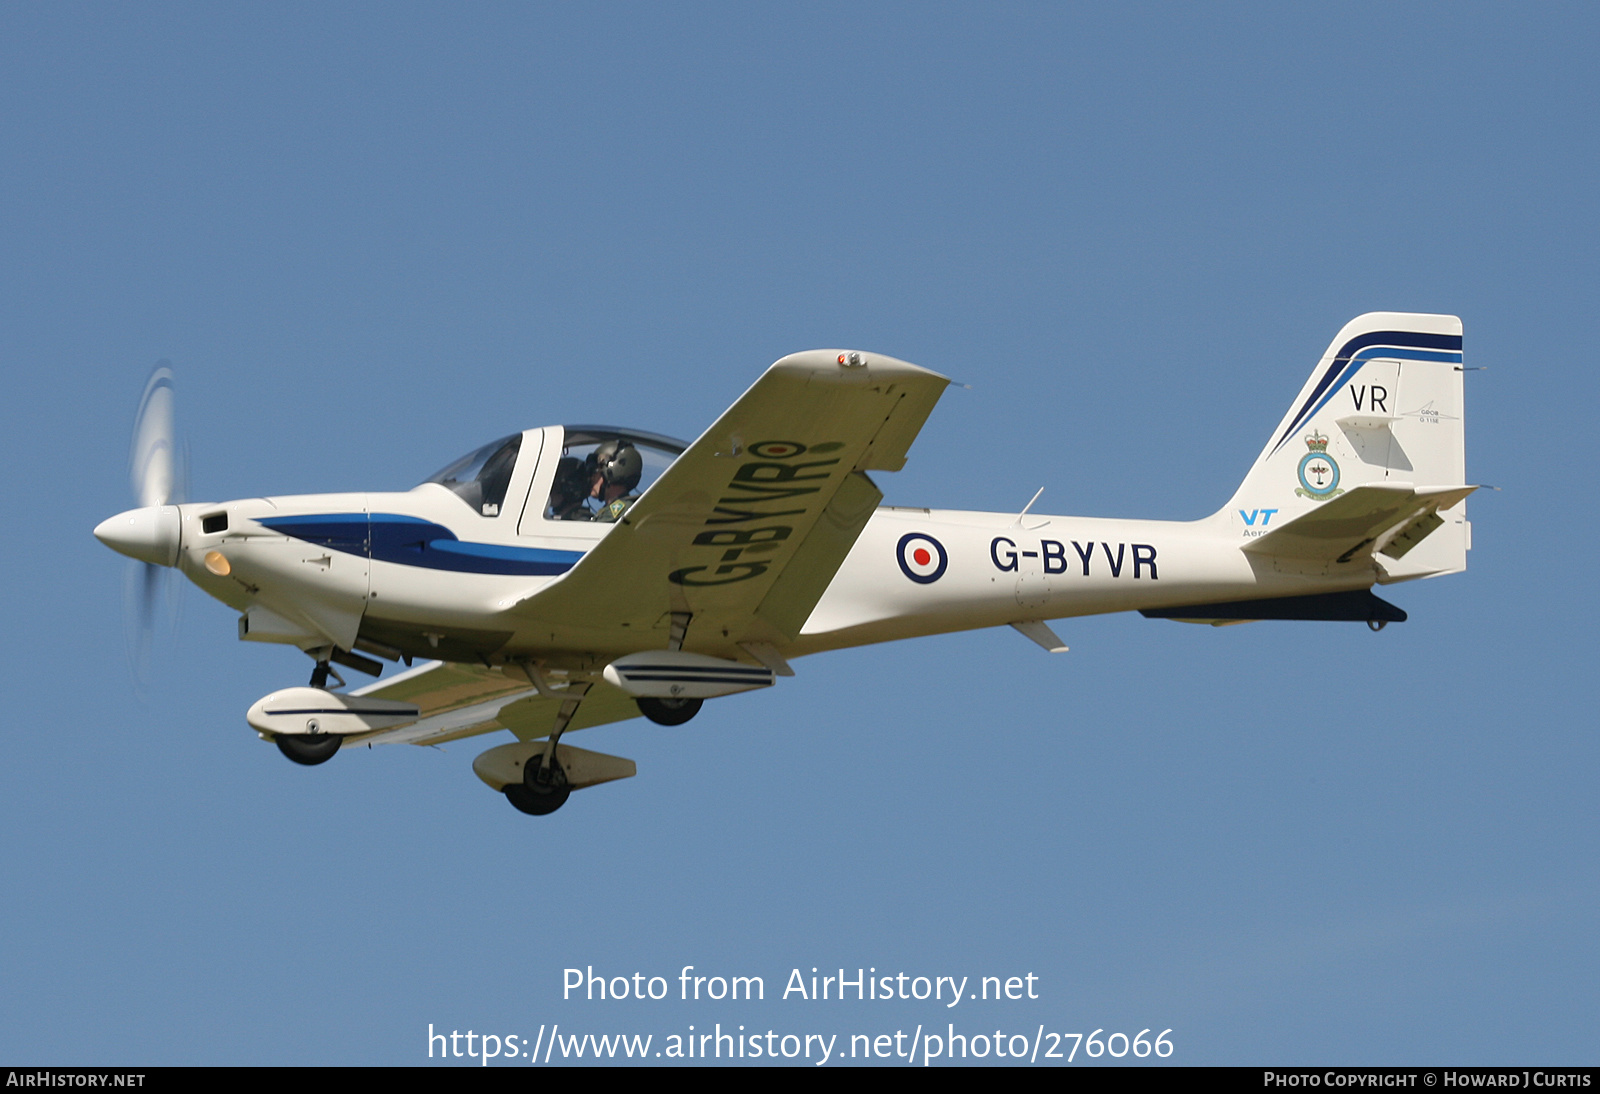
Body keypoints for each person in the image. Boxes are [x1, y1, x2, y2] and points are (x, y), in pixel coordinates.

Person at [586, 439, 643, 522]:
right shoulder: (607, 512)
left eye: (595, 472)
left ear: (612, 471)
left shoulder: (623, 511)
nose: (592, 478)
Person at [546, 456, 591, 520]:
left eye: (555, 485)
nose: (550, 491)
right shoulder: (559, 520)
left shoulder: (579, 523)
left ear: (570, 489)